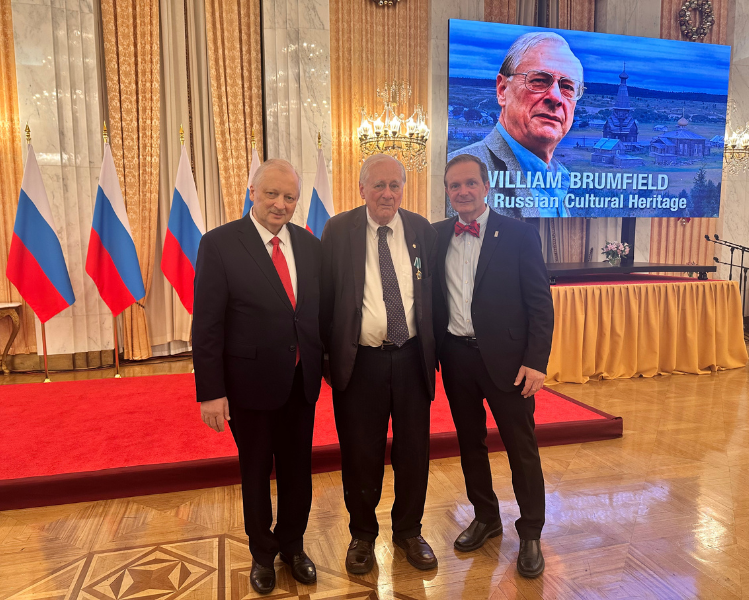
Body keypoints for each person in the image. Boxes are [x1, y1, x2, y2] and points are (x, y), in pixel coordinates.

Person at [192, 159, 322, 595]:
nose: (280, 204)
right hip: (247, 386)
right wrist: (211, 392)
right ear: (252, 192)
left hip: (301, 383)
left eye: (289, 197)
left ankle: (293, 545)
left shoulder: (308, 244)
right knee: (255, 472)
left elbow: (312, 314)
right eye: (272, 194)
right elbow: (207, 325)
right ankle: (262, 554)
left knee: (297, 471)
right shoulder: (220, 244)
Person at [433, 154, 554, 578]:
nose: (462, 192)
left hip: (508, 364)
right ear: (447, 193)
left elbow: (540, 303)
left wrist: (536, 362)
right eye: (454, 186)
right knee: (470, 443)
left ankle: (532, 531)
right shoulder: (435, 236)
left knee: (521, 447)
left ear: (486, 187)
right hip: (456, 358)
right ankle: (486, 517)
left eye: (470, 183)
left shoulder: (519, 235)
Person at [320, 153, 438, 574]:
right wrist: (329, 362)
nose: (387, 193)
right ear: (362, 189)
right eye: (378, 186)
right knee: (360, 453)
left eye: (395, 185)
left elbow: (432, 297)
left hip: (412, 361)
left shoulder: (422, 230)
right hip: (360, 364)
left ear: (403, 189)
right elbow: (324, 301)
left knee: (414, 453)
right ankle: (362, 534)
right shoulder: (337, 230)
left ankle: (409, 530)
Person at [449, 31, 584, 218]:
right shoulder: (457, 172)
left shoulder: (558, 177)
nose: (555, 97)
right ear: (502, 90)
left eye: (568, 87)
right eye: (538, 81)